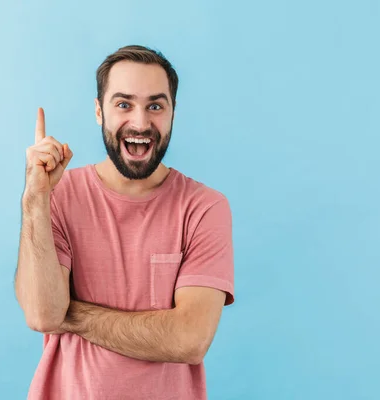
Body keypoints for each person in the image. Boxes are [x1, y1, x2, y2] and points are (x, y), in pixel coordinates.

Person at [15, 44, 235, 400]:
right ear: (99, 112)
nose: (140, 122)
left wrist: (69, 314)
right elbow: (42, 314)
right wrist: (34, 197)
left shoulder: (204, 208)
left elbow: (189, 340)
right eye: (123, 104)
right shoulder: (58, 195)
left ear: (173, 112)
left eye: (155, 106)